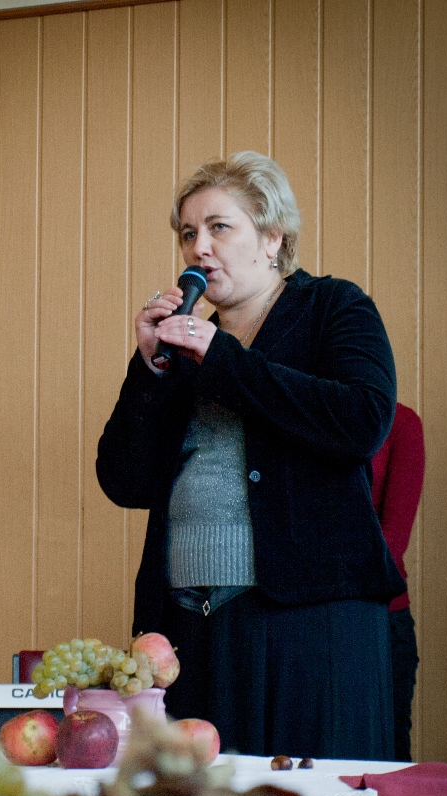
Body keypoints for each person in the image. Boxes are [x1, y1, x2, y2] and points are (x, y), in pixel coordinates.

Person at [96, 151, 406, 760]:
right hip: (186, 623)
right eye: (188, 233)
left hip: (310, 621)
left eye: (219, 227)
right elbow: (124, 481)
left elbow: (362, 420)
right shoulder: (184, 342)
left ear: (272, 238)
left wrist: (223, 358)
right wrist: (149, 370)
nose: (199, 248)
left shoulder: (333, 307)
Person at [370, 402, 425, 761]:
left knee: (388, 757)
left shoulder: (400, 423)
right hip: (307, 621)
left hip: (383, 619)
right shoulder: (307, 415)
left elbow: (393, 541)